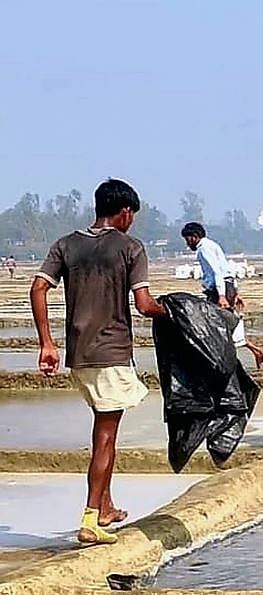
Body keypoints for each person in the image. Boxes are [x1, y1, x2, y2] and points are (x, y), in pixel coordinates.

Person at [30, 179, 166, 545]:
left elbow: (38, 287)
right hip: (111, 351)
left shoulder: (66, 244)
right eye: (132, 215)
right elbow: (144, 304)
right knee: (105, 437)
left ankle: (106, 506)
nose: (132, 221)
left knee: (107, 426)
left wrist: (47, 344)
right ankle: (90, 519)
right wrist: (176, 309)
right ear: (125, 212)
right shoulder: (130, 248)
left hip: (79, 354)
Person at [180, 222, 263, 368]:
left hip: (219, 290)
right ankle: (253, 351)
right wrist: (234, 292)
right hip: (227, 286)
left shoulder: (203, 249)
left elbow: (217, 272)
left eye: (188, 240)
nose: (188, 244)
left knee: (217, 326)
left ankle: (222, 362)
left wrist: (221, 295)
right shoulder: (212, 245)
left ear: (194, 237)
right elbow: (225, 269)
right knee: (227, 323)